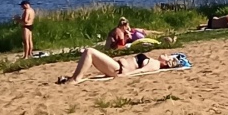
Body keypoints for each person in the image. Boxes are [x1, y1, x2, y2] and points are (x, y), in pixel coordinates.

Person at [58, 47, 191, 83]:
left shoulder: (155, 65)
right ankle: (73, 77)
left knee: (90, 52)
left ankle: (74, 80)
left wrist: (126, 75)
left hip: (118, 69)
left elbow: (141, 71)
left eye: (169, 56)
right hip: (116, 65)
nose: (166, 54)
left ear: (168, 63)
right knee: (90, 53)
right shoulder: (154, 61)